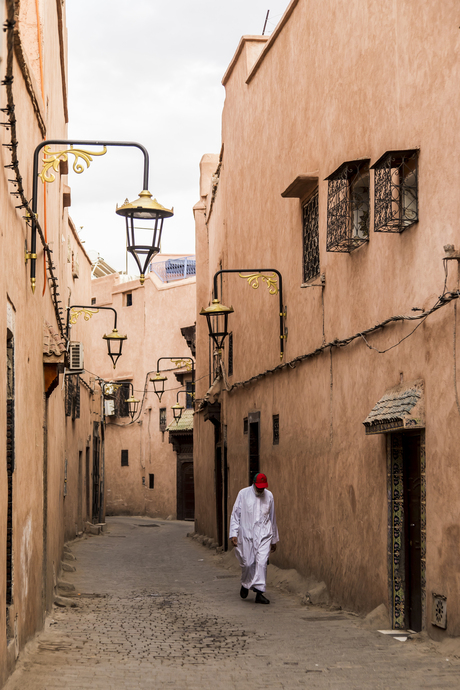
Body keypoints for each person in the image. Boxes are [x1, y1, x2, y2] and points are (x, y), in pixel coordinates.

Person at [229, 472, 279, 604]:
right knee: (247, 563)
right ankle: (245, 584)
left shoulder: (269, 496)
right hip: (247, 535)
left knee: (261, 563)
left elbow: (272, 518)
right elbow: (235, 515)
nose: (261, 489)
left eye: (263, 487)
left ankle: (259, 593)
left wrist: (273, 539)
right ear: (253, 483)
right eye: (259, 487)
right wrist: (233, 533)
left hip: (264, 535)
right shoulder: (243, 494)